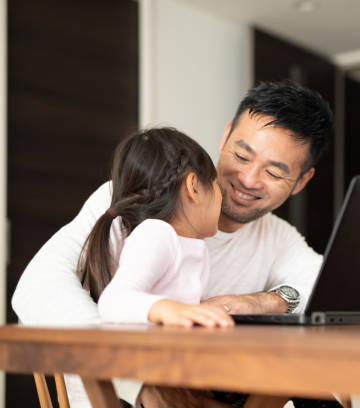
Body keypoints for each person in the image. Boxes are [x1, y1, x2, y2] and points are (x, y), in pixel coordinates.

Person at [11, 80, 335, 407]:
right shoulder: (132, 198)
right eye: (241, 154)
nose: (248, 180)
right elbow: (36, 285)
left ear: (301, 181)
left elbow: (333, 293)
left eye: (275, 174)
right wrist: (136, 376)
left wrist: (265, 302)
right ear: (225, 137)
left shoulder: (278, 237)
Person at [83, 127, 232, 329]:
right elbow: (113, 301)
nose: (222, 199)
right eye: (217, 186)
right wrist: (168, 309)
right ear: (194, 187)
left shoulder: (194, 246)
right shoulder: (156, 234)